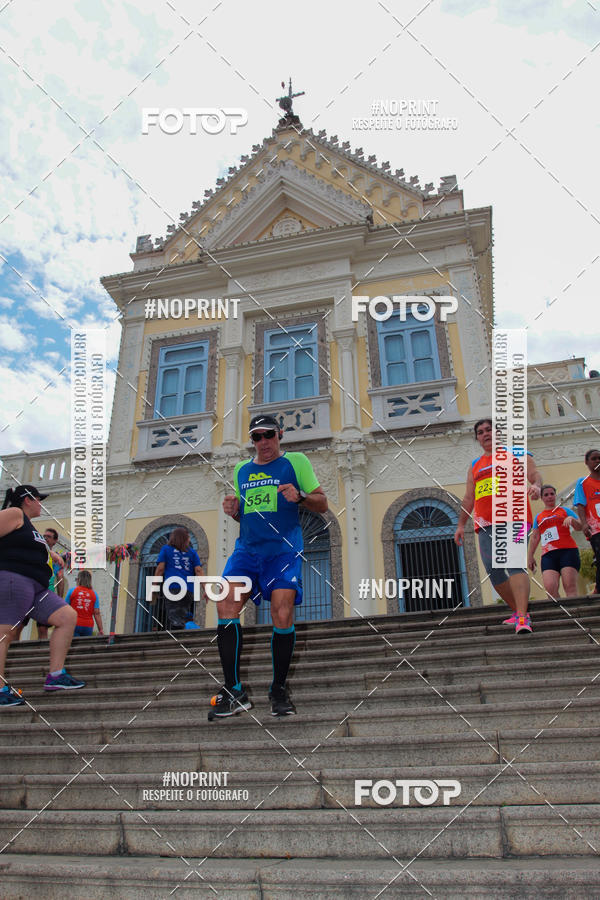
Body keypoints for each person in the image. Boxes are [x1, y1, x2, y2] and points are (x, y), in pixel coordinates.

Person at [209, 413, 327, 720]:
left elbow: (322, 503)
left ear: (280, 434)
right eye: (257, 437)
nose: (263, 442)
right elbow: (247, 514)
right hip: (247, 550)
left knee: (282, 612)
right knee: (226, 602)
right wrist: (234, 512)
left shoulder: (296, 462)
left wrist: (300, 496)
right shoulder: (242, 470)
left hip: (283, 551)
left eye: (269, 435)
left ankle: (278, 689)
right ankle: (234, 690)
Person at [0, 484, 85, 707]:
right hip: (13, 578)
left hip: (37, 587)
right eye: (38, 499)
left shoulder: (30, 527)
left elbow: (30, 544)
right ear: (27, 499)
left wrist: (53, 556)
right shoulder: (14, 513)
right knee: (4, 633)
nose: (41, 504)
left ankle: (56, 675)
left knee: (67, 616)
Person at [454, 418, 542, 634]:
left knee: (513, 564)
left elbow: (534, 475)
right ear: (477, 438)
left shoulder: (517, 453)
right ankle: (518, 612)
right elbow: (469, 497)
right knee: (493, 569)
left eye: (489, 430)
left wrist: (537, 486)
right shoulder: (475, 465)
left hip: (516, 518)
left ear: (497, 432)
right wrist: (460, 525)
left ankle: (522, 618)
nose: (485, 434)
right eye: (481, 432)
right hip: (485, 523)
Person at [527, 485, 582, 599]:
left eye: (552, 494)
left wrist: (572, 520)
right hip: (548, 555)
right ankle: (560, 613)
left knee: (569, 586)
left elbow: (580, 526)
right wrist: (530, 556)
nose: (550, 497)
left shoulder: (565, 511)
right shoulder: (539, 517)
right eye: (546, 495)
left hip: (567, 551)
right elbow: (535, 537)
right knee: (550, 588)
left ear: (555, 495)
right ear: (542, 498)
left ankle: (574, 615)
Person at [154, 527, 203, 630]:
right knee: (182, 616)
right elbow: (198, 570)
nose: (189, 540)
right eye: (188, 537)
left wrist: (153, 587)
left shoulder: (166, 549)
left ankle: (176, 642)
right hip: (188, 590)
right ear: (184, 538)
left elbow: (160, 569)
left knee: (174, 618)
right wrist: (206, 588)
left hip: (173, 587)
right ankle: (181, 640)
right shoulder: (192, 552)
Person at [574, 449, 600, 595]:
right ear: (587, 462)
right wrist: (584, 524)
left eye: (599, 458)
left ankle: (597, 588)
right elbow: (580, 504)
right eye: (594, 458)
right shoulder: (583, 483)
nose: (597, 461)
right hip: (596, 529)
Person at [37, 528, 66, 640]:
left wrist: (60, 599)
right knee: (18, 626)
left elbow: (60, 577)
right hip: (29, 592)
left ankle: (42, 654)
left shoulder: (55, 559)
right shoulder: (37, 552)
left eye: (48, 536)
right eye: (44, 536)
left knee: (42, 627)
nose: (45, 538)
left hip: (45, 594)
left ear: (55, 541)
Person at [65, 569, 104, 636]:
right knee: (85, 645)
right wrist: (100, 629)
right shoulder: (94, 594)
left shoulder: (72, 591)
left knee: (73, 645)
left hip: (74, 624)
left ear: (79, 580)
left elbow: (65, 608)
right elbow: (96, 613)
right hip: (88, 626)